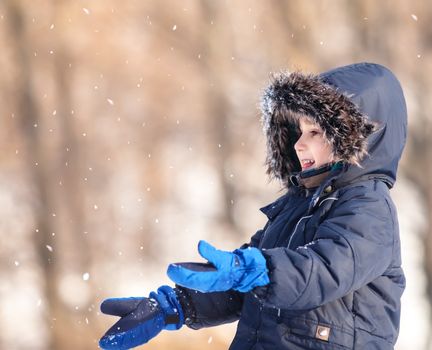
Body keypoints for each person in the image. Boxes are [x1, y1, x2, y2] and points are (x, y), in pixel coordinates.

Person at [99, 62, 408, 350]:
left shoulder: (369, 209)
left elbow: (323, 271)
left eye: (314, 132)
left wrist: (257, 270)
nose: (299, 144)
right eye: (298, 132)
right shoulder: (296, 208)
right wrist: (175, 306)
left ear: (358, 136)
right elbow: (245, 288)